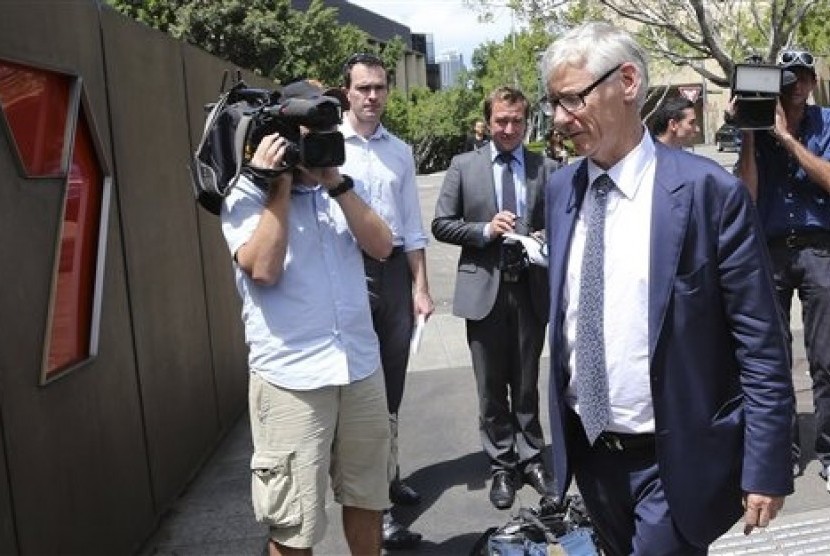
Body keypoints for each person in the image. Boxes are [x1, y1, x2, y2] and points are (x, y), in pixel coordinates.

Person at [541, 22, 794, 554]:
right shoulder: (561, 187)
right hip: (592, 456)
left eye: (571, 100)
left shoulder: (708, 193)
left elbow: (760, 342)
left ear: (627, 81)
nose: (560, 120)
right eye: (554, 103)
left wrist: (767, 463)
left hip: (675, 462)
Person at [220, 79, 393, 556]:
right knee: (294, 521)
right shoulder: (245, 193)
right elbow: (263, 269)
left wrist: (336, 183)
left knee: (368, 497)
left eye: (325, 126)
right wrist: (278, 185)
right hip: (292, 378)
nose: (318, 138)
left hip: (358, 366)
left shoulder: (336, 186)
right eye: (307, 129)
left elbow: (382, 245)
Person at [432, 86, 558, 510]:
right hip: (483, 287)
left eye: (517, 121)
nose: (509, 129)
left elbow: (562, 221)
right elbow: (442, 224)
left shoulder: (546, 167)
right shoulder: (463, 166)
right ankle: (501, 463)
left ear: (527, 122)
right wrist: (485, 230)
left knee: (526, 383)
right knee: (490, 387)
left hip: (529, 289)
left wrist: (544, 235)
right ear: (488, 122)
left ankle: (532, 456)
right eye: (501, 121)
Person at [339, 52, 434, 549]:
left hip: (394, 272)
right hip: (346, 273)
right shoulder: (329, 149)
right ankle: (371, 504)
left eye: (379, 87)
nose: (372, 96)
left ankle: (389, 479)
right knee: (362, 394)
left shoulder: (400, 151)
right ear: (347, 93)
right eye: (363, 88)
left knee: (391, 389)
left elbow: (413, 226)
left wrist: (421, 286)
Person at [736, 47, 830, 490]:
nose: (793, 88)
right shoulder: (758, 126)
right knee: (771, 358)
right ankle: (784, 451)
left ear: (812, 83)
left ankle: (828, 449)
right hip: (769, 250)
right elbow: (746, 195)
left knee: (826, 357)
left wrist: (789, 141)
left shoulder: (825, 124)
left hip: (818, 249)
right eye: (786, 80)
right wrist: (753, 135)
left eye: (800, 80)